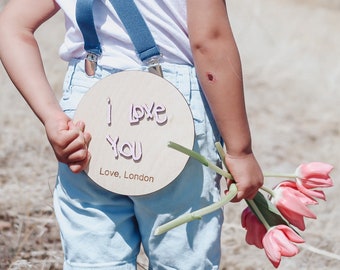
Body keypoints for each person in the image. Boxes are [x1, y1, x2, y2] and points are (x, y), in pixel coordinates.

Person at [0, 0, 263, 269]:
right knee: (182, 259)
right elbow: (209, 42)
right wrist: (240, 150)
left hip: (89, 111)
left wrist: (51, 116)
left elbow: (13, 25)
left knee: (94, 260)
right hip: (168, 110)